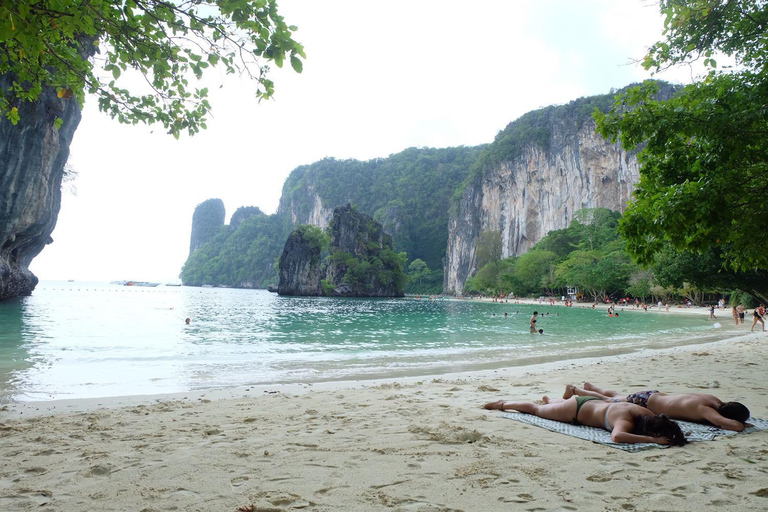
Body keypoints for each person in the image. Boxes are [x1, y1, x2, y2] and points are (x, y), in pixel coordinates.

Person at [483, 396, 687, 446]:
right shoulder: (626, 421)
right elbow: (617, 437)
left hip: (592, 403)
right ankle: (503, 404)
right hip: (576, 409)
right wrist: (654, 441)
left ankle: (552, 401)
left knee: (547, 406)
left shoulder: (646, 411)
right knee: (536, 410)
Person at [562, 382, 750, 432]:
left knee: (616, 397)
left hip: (653, 396)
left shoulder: (712, 399)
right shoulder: (706, 410)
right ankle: (576, 389)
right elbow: (732, 426)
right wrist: (739, 424)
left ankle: (591, 387)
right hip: (646, 402)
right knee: (609, 402)